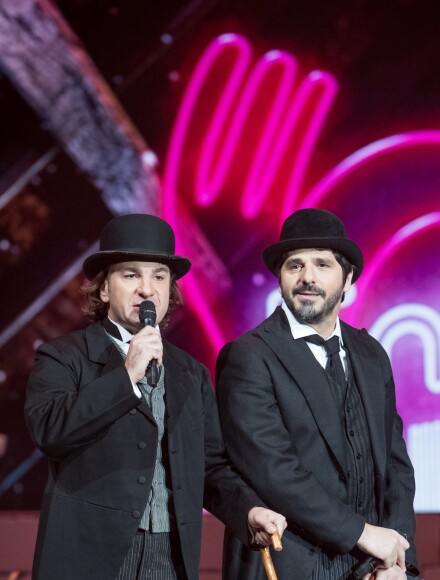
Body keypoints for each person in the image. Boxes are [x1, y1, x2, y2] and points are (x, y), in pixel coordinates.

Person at [25, 214, 286, 580]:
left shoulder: (190, 373)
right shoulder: (64, 356)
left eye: (159, 277)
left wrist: (248, 511)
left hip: (169, 556)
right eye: (131, 275)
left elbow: (209, 466)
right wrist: (126, 375)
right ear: (103, 289)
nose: (147, 290)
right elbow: (50, 431)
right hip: (92, 555)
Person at [216, 208, 420, 579]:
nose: (307, 277)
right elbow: (273, 471)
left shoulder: (371, 353)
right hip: (290, 563)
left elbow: (396, 466)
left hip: (372, 567)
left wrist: (397, 553)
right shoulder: (249, 355)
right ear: (279, 279)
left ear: (348, 279)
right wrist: (362, 534)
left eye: (322, 265)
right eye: (295, 266)